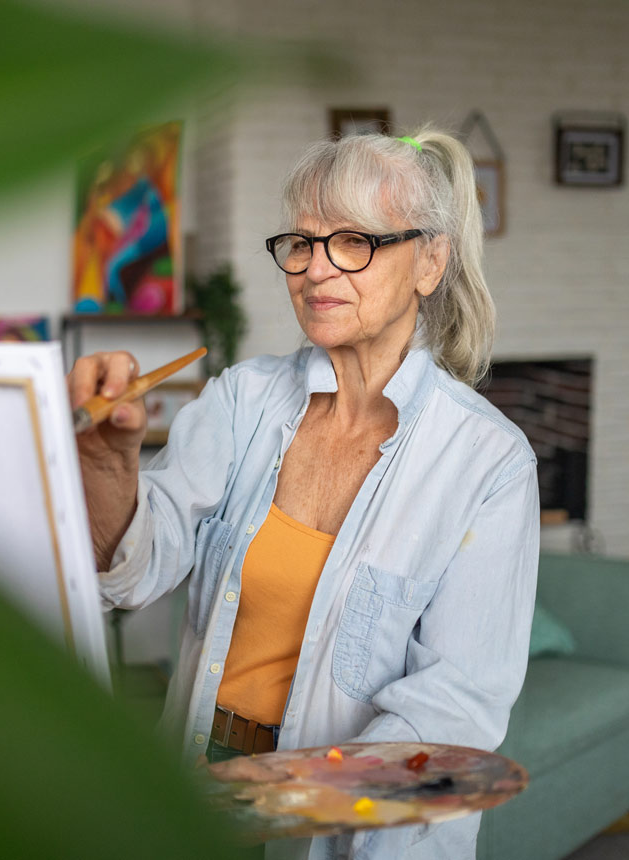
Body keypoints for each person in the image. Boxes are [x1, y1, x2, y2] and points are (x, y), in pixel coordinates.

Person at [69, 128, 540, 860]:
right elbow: (132, 573)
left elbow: (454, 707)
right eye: (301, 243)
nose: (315, 270)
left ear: (429, 260)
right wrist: (108, 464)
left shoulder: (487, 461)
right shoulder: (241, 400)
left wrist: (280, 799)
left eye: (353, 241)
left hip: (359, 831)